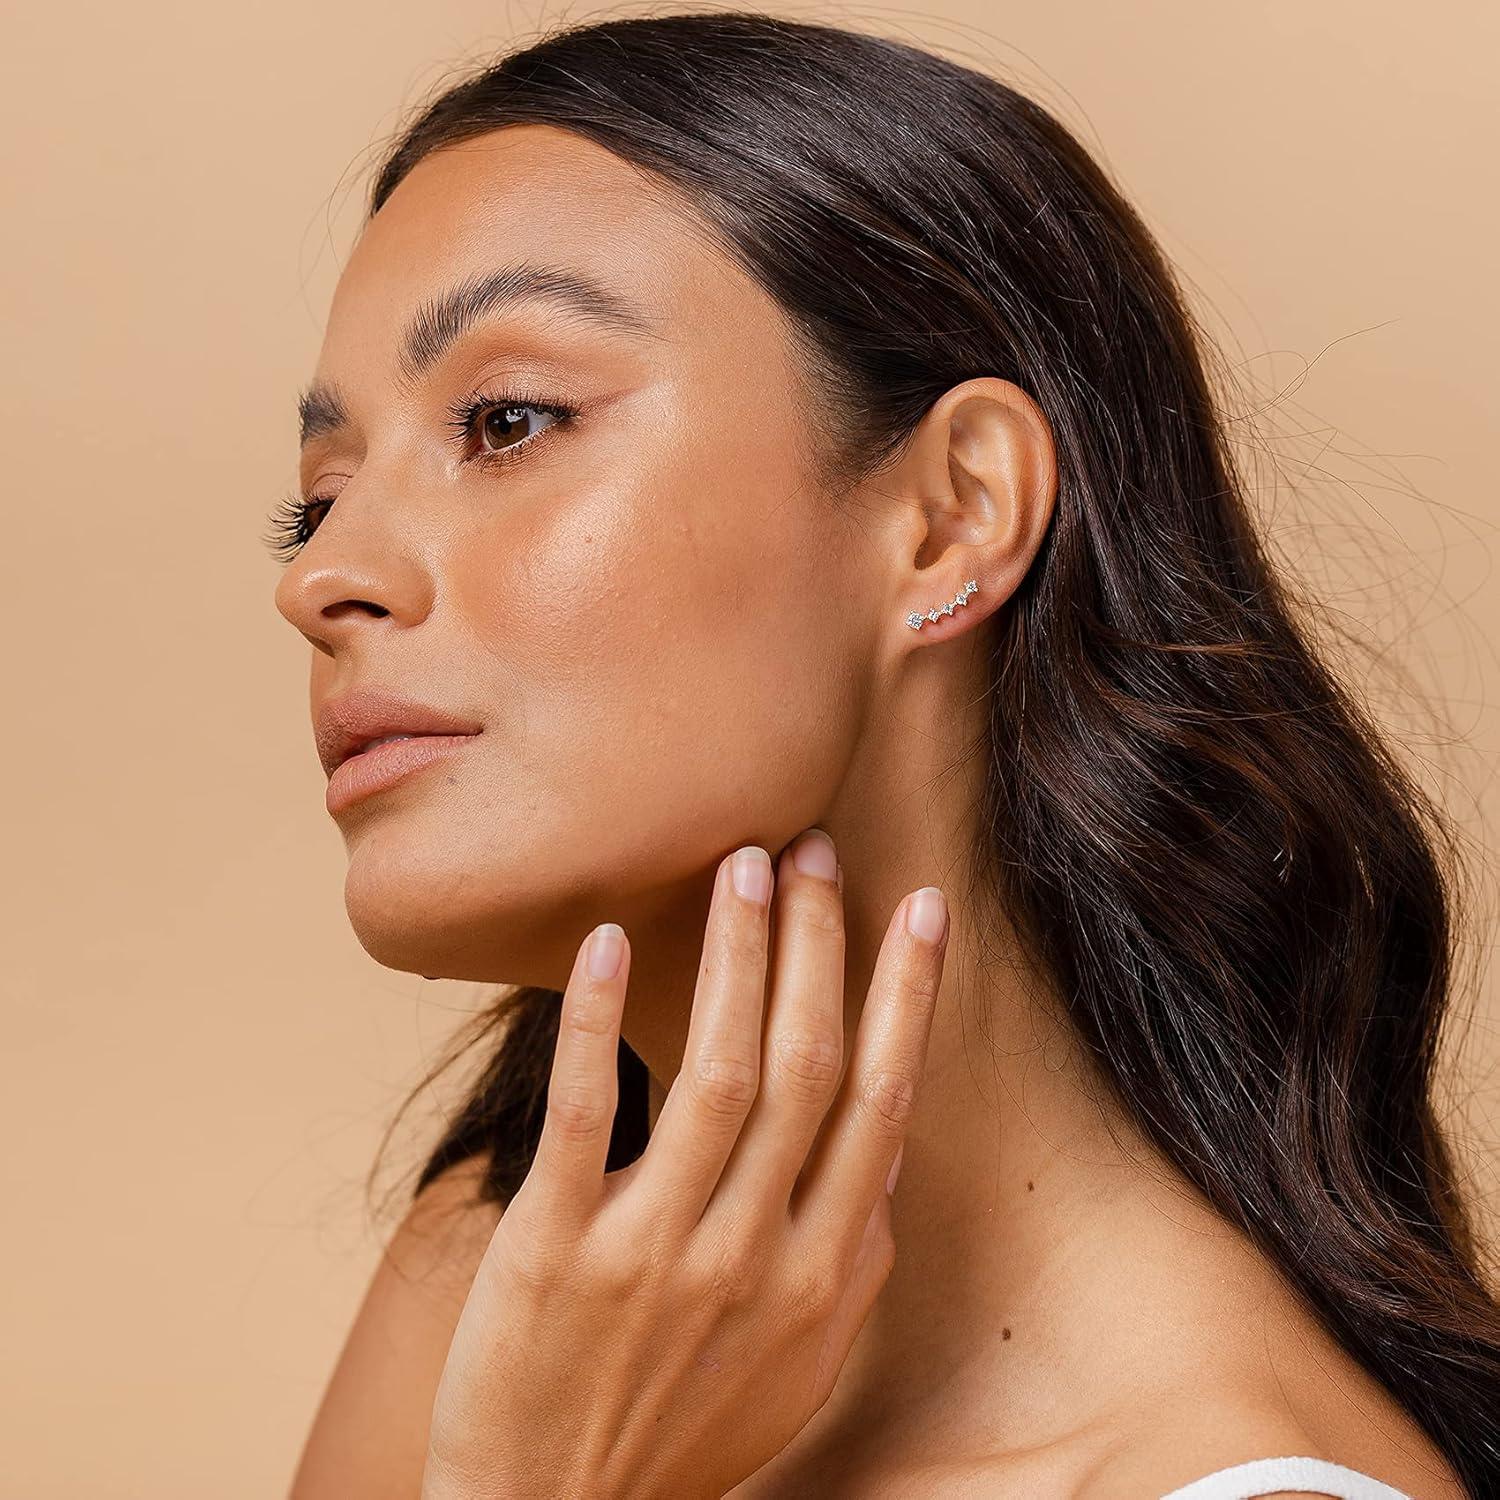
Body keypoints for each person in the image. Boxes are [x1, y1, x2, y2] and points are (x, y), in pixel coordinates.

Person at [269, 11, 1496, 1498]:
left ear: (954, 515)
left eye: (508, 419)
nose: (321, 577)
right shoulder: (523, 1285)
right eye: (318, 499)